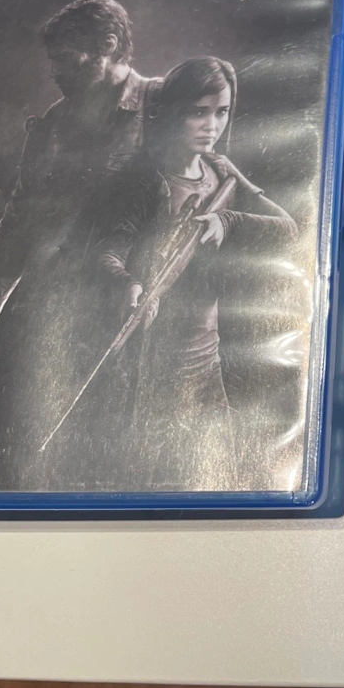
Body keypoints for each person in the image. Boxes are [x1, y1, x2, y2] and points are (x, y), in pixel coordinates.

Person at [0, 0, 161, 488]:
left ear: (108, 45)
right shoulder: (54, 124)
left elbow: (196, 202)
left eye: (66, 59)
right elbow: (16, 227)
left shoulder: (165, 105)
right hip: (50, 317)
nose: (55, 73)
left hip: (138, 322)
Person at [95, 57, 296, 492]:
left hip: (206, 355)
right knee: (148, 481)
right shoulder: (145, 179)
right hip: (150, 365)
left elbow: (288, 227)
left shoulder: (220, 171)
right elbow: (108, 251)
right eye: (198, 112)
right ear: (172, 111)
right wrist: (127, 284)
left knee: (218, 473)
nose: (211, 126)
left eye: (221, 112)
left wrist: (229, 221)